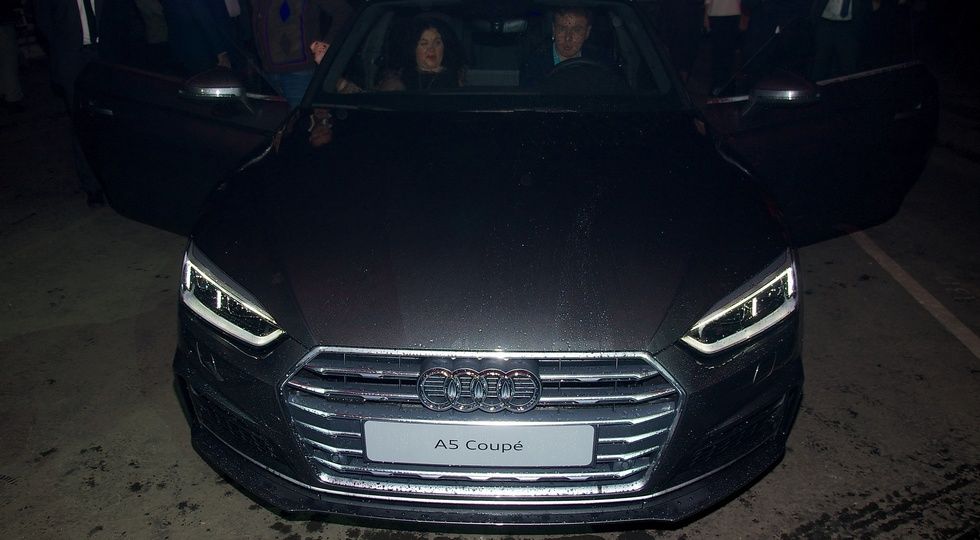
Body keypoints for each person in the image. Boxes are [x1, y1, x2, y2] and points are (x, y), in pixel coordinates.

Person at [250, 0, 352, 106]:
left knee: (302, 114)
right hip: (267, 70)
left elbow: (343, 12)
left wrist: (326, 45)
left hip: (299, 73)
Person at [520, 7, 610, 87]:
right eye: (562, 29)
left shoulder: (600, 61)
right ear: (554, 30)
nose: (568, 38)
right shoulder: (534, 64)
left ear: (587, 32)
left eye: (577, 30)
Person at [377, 17, 464, 91]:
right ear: (414, 48)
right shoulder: (400, 77)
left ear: (444, 46)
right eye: (424, 44)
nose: (431, 49)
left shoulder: (458, 78)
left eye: (437, 43)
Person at [811, 0, 872, 80]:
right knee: (821, 61)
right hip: (825, 23)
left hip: (849, 26)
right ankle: (815, 85)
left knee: (848, 64)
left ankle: (847, 86)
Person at [704, 0, 742, 95]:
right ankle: (722, 85)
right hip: (725, 12)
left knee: (723, 53)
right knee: (723, 53)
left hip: (725, 12)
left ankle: (722, 85)